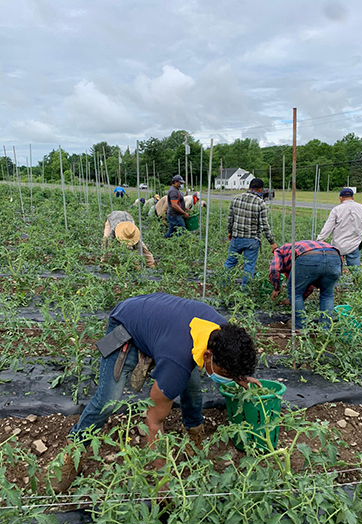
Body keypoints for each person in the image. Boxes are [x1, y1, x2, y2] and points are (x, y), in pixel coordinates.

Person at [51, 292, 259, 493]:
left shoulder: (222, 332)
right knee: (108, 401)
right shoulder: (176, 362)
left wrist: (237, 375)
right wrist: (163, 480)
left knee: (193, 390)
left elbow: (227, 358)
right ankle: (73, 453)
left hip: (159, 319)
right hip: (126, 323)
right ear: (207, 354)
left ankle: (194, 439)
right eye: (223, 372)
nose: (224, 377)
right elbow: (154, 422)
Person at [269, 240, 342, 330]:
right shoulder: (299, 247)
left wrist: (276, 288)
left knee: (295, 292)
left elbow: (274, 270)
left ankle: (300, 326)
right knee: (327, 294)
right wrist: (295, 299)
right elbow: (308, 285)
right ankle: (326, 329)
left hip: (309, 257)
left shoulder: (279, 251)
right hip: (334, 256)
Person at [224, 178, 277, 286]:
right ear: (261, 189)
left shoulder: (236, 199)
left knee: (230, 263)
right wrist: (272, 242)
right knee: (248, 267)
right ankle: (245, 292)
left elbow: (230, 219)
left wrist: (230, 232)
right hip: (251, 240)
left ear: (249, 187)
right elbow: (264, 226)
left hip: (236, 238)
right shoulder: (260, 203)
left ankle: (223, 286)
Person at [317, 188, 362, 267]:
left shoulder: (336, 210)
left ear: (340, 198)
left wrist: (320, 241)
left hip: (338, 246)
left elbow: (327, 227)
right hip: (355, 245)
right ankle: (356, 279)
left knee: (335, 271)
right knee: (355, 271)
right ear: (352, 197)